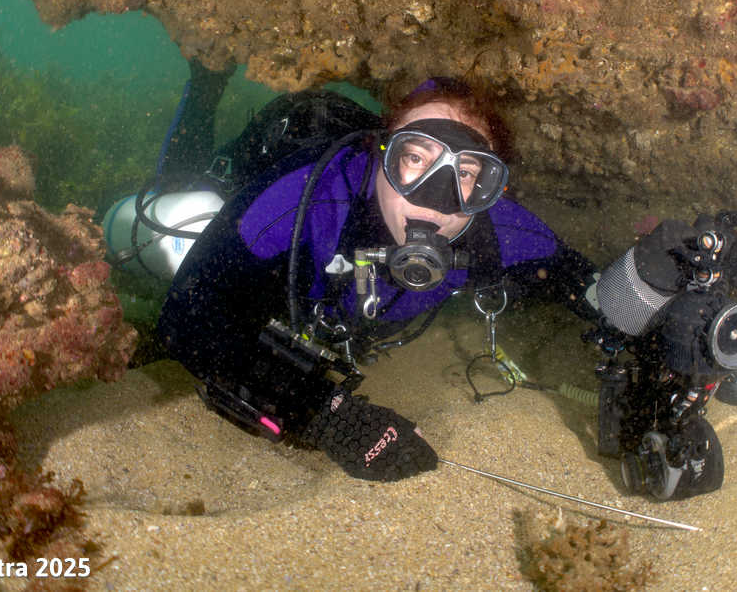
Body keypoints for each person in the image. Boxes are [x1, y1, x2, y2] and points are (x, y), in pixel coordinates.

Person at [157, 74, 602, 482]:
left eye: (464, 172)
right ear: (381, 152)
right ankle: (205, 86)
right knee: (183, 205)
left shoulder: (497, 230)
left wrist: (645, 292)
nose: (434, 200)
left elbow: (583, 286)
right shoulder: (305, 200)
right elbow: (185, 319)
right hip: (254, 219)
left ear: (488, 186)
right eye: (415, 157)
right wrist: (324, 413)